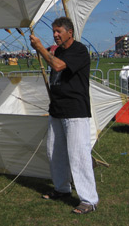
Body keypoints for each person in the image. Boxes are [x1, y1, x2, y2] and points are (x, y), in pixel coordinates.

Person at [29, 16, 98, 215]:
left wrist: (41, 49)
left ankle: (89, 199)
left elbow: (58, 66)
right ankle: (62, 188)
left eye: (59, 31)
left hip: (75, 111)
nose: (55, 35)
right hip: (57, 109)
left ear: (70, 32)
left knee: (78, 155)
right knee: (54, 152)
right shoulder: (58, 51)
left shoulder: (79, 50)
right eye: (53, 31)